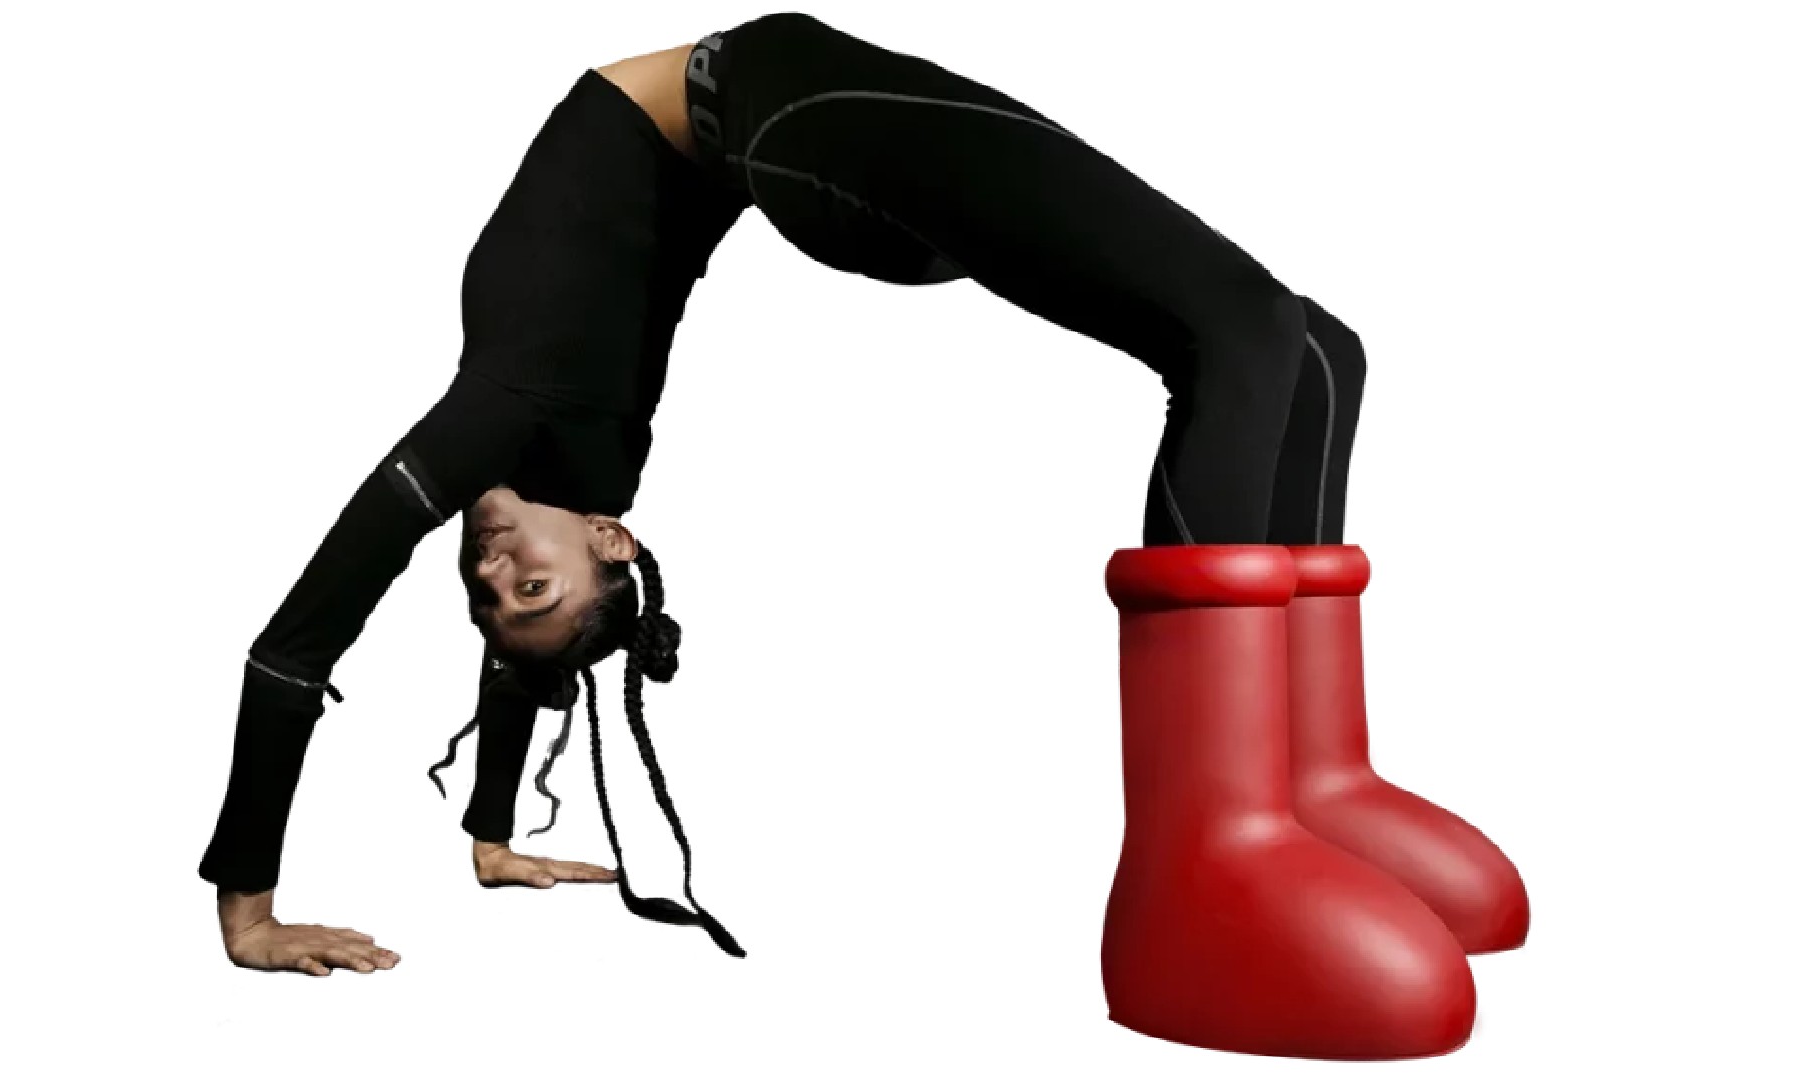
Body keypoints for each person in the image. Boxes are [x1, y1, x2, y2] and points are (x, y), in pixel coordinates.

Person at [200, 12, 1369, 977]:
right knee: (1246, 333)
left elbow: (476, 652)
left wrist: (490, 835)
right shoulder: (512, 428)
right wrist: (252, 921)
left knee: (1315, 350)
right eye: (532, 588)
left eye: (485, 593)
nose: (493, 571)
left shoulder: (521, 456)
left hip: (787, 137)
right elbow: (326, 647)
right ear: (611, 539)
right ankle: (1203, 867)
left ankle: (1310, 800)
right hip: (791, 120)